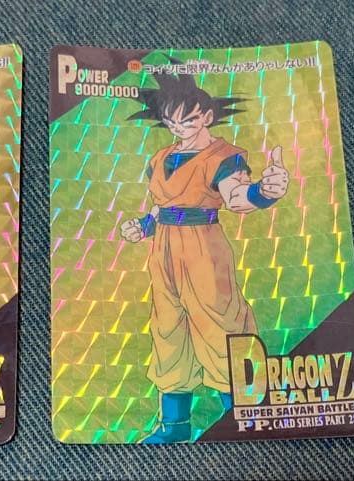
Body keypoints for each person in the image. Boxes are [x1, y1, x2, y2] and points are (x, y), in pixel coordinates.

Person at [120, 69, 290, 443]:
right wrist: (143, 227)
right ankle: (174, 427)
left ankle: (247, 416)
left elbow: (236, 196)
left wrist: (265, 191)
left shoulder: (223, 157)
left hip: (203, 247)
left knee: (222, 327)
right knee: (168, 330)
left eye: (188, 120)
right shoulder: (161, 157)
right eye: (172, 122)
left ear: (207, 116)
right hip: (164, 249)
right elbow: (161, 205)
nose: (180, 128)